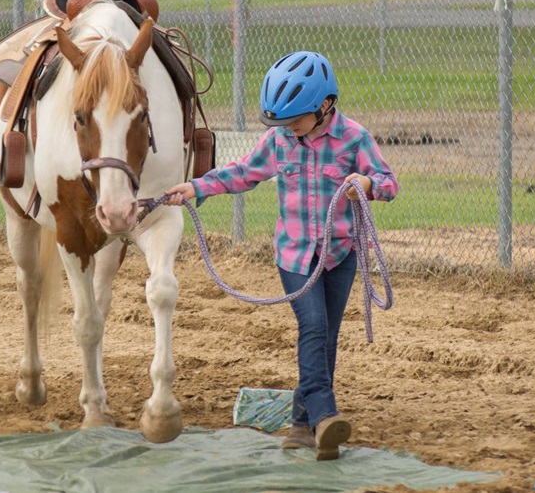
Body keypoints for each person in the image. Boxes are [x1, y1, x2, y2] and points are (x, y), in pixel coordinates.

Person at [164, 51, 399, 461]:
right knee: (312, 327)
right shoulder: (280, 140)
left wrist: (366, 181)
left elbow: (389, 182)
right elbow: (243, 172)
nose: (289, 128)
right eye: (283, 122)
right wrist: (196, 187)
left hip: (339, 254)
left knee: (326, 337)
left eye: (295, 119)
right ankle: (326, 417)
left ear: (325, 106)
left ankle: (300, 427)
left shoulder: (354, 138)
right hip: (294, 256)